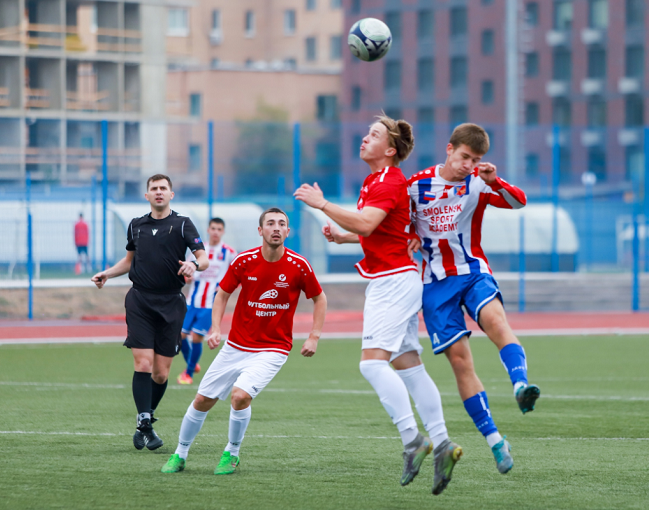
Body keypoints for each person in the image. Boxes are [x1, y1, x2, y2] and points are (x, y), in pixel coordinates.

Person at [294, 115, 461, 495]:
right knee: (408, 366)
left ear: (390, 150)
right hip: (394, 279)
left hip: (393, 283)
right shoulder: (375, 181)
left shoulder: (388, 179)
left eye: (373, 135)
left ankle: (413, 440)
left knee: (371, 364)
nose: (364, 138)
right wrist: (342, 236)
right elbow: (381, 231)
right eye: (366, 132)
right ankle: (443, 442)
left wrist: (323, 205)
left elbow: (368, 223)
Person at [407, 123, 541, 474]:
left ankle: (520, 384)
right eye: (465, 157)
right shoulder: (416, 185)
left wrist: (495, 179)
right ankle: (496, 440)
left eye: (476, 159)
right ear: (449, 149)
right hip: (435, 285)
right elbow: (395, 224)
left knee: (497, 323)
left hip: (473, 272)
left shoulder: (479, 182)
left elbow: (518, 202)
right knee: (461, 362)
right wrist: (408, 237)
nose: (469, 164)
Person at [161, 208, 327, 476]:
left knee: (240, 397)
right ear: (260, 231)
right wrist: (215, 328)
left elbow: (320, 298)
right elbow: (222, 294)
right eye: (270, 223)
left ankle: (232, 454)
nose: (276, 227)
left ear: (288, 231)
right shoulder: (243, 261)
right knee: (203, 400)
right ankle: (180, 453)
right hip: (235, 346)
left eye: (281, 224)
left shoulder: (299, 265)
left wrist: (314, 335)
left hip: (273, 349)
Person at [92, 174, 209, 451]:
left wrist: (194, 264)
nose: (158, 192)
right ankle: (146, 425)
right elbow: (129, 261)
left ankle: (141, 424)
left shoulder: (182, 224)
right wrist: (107, 274)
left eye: (163, 189)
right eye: (153, 189)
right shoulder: (136, 225)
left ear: (171, 194)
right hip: (140, 301)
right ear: (147, 196)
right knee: (143, 364)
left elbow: (203, 257)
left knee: (160, 374)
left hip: (171, 303)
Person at [178, 217, 236, 385]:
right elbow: (189, 271)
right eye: (213, 228)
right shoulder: (198, 250)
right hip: (192, 301)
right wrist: (187, 276)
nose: (216, 232)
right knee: (179, 335)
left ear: (223, 232)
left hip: (211, 304)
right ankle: (192, 363)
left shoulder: (229, 252)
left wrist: (227, 287)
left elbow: (238, 274)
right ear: (208, 230)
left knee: (196, 337)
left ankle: (188, 373)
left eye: (219, 229)